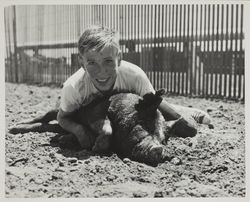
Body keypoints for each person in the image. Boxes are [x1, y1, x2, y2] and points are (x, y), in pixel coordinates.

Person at [57, 25, 211, 150]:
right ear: (81, 62)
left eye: (108, 61)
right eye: (92, 63)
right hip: (95, 116)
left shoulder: (134, 75)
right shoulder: (73, 87)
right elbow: (62, 117)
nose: (101, 70)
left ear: (120, 58)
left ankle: (187, 111)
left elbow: (151, 105)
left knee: (185, 125)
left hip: (127, 110)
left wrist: (176, 120)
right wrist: (79, 131)